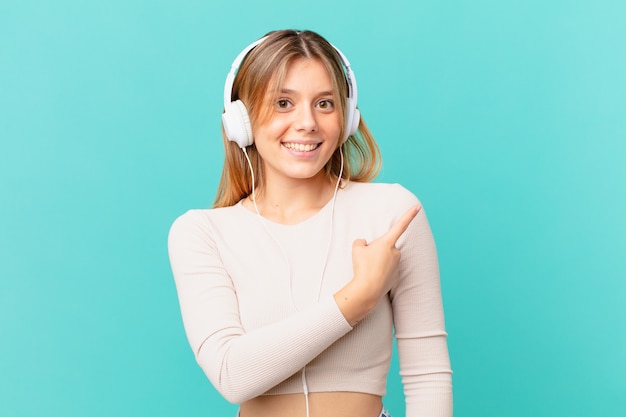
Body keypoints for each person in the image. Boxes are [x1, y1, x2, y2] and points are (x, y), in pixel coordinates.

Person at [168, 29, 453, 417]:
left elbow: (427, 374)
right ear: (242, 120)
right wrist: (359, 296)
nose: (307, 123)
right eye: (283, 103)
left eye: (324, 103)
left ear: (348, 117)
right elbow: (231, 375)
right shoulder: (201, 233)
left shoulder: (392, 213)